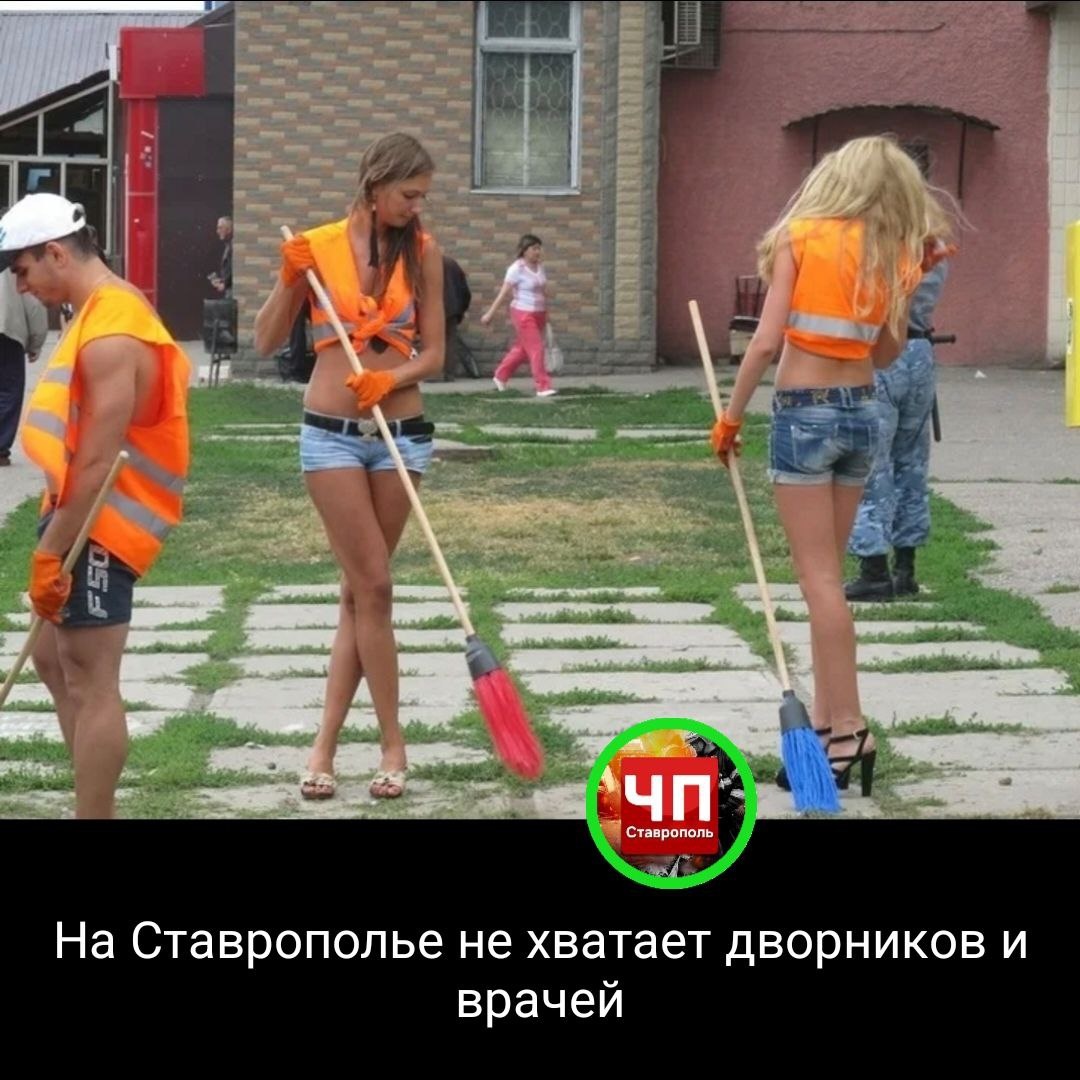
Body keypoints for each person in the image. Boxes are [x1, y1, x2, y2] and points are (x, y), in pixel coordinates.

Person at [709, 135, 944, 797]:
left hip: (805, 414)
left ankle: (848, 729)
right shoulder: (889, 252)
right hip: (863, 412)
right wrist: (909, 282)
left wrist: (730, 418)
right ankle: (822, 728)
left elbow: (764, 341)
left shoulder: (802, 236)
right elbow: (886, 354)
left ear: (834, 179)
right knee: (829, 584)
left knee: (819, 585)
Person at [253, 132, 445, 801]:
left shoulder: (423, 251)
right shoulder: (315, 247)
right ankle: (392, 743)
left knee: (359, 594)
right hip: (330, 438)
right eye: (409, 194)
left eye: (422, 196)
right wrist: (287, 278)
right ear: (375, 184)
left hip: (402, 436)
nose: (417, 207)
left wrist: (390, 380)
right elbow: (265, 340)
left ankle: (327, 746)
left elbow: (434, 355)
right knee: (375, 586)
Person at [0, 192, 191, 819]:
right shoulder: (101, 310)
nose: (20, 287)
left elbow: (98, 463)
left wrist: (51, 552)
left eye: (22, 270)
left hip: (104, 522)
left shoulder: (112, 330)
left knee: (89, 676)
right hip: (81, 514)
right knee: (55, 662)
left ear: (56, 253)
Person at [845, 153, 956, 601]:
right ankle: (906, 567)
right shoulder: (931, 236)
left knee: (870, 462)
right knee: (912, 460)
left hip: (881, 350)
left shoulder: (875, 239)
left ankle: (873, 568)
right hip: (921, 351)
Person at [480, 232, 556, 397]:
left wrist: (547, 312)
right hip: (522, 313)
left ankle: (500, 375)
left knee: (522, 349)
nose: (538, 252)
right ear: (524, 250)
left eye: (539, 248)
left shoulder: (540, 267)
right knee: (536, 348)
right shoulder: (516, 269)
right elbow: (503, 293)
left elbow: (543, 291)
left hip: (539, 313)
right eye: (534, 248)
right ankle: (543, 386)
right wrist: (489, 314)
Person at [0, 256, 48, 467]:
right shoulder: (12, 254)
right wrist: (36, 341)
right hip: (7, 329)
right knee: (9, 389)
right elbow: (32, 301)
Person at [440, 253, 474, 380]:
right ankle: (449, 373)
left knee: (431, 340)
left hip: (432, 309)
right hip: (452, 308)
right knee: (450, 340)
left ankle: (434, 373)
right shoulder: (451, 263)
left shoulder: (425, 262)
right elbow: (464, 290)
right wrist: (461, 308)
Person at [209, 215, 233, 297]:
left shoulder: (233, 247)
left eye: (220, 228)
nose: (217, 231)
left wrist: (224, 284)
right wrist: (222, 281)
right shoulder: (229, 246)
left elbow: (236, 269)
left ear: (229, 229)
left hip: (232, 292)